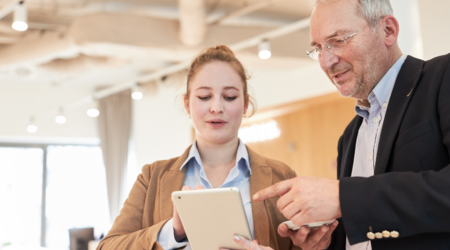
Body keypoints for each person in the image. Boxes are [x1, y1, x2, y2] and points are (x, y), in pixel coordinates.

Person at [241, 0, 450, 250]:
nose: (326, 61)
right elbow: (362, 234)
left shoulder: (442, 78)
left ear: (388, 31)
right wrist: (324, 239)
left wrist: (342, 197)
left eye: (338, 40)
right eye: (319, 48)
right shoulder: (349, 136)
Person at [96, 45, 300, 250]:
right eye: (204, 97)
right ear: (187, 104)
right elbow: (108, 247)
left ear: (246, 104)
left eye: (229, 97)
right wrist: (173, 231)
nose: (216, 108)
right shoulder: (152, 178)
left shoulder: (281, 175)